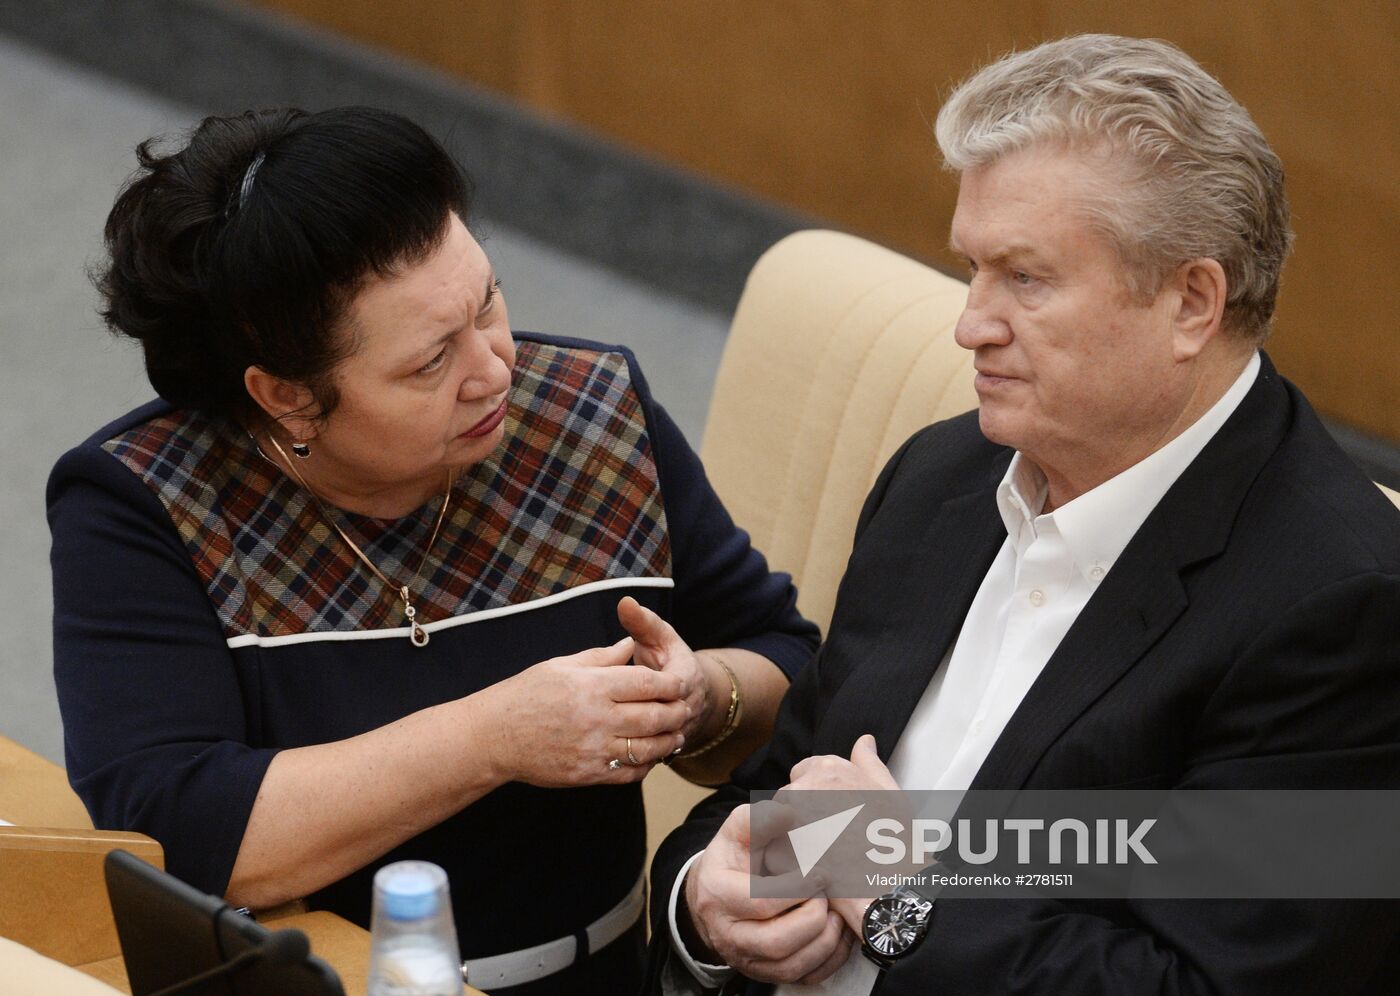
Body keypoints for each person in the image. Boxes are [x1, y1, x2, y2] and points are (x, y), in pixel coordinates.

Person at [649, 34, 1400, 995]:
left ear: (1192, 304)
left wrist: (895, 897)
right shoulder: (944, 477)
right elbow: (781, 791)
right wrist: (707, 905)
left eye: (1026, 279)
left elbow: (1202, 985)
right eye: (972, 269)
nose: (971, 323)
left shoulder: (1344, 611)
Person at [48, 106, 819, 995]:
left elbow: (788, 663)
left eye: (488, 299)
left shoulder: (592, 420)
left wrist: (702, 699)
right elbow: (176, 831)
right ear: (289, 398)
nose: (496, 369)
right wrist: (495, 737)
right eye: (431, 361)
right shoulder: (150, 501)